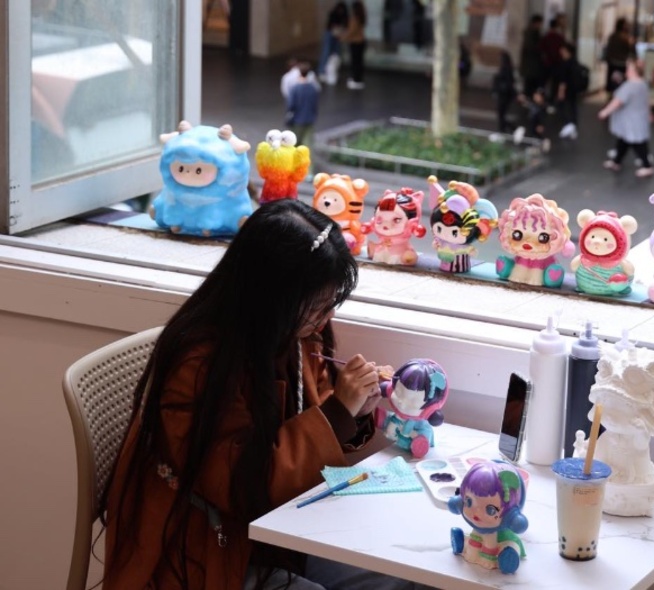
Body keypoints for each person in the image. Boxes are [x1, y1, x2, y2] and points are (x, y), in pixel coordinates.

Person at [101, 200, 434, 590]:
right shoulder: (199, 364)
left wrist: (356, 407)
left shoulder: (295, 332)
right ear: (269, 299)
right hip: (201, 549)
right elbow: (241, 488)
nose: (325, 319)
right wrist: (337, 411)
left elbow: (314, 403)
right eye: (316, 307)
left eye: (330, 304)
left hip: (271, 533)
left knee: (408, 574)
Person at [598, 59, 654, 177]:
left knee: (637, 143)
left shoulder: (630, 86)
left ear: (634, 71)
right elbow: (647, 101)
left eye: (629, 69)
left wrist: (605, 112)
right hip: (638, 119)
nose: (626, 71)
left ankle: (647, 166)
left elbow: (617, 102)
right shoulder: (643, 84)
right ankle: (616, 161)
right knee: (624, 140)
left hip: (631, 121)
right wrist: (649, 113)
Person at [285, 62, 320, 175]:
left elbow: (291, 106)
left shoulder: (295, 88)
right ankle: (309, 172)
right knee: (308, 146)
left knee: (294, 144)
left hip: (297, 120)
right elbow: (315, 105)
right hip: (309, 119)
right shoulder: (313, 89)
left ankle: (292, 168)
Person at [317, 2, 348, 82]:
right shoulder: (333, 14)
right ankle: (322, 71)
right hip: (330, 33)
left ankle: (332, 70)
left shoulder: (344, 15)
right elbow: (331, 25)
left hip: (337, 35)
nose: (341, 11)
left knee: (336, 54)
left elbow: (345, 26)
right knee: (326, 52)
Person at [513, 87, 550, 153]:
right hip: (530, 131)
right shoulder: (533, 105)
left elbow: (543, 119)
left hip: (537, 133)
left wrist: (542, 125)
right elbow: (526, 104)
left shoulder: (543, 107)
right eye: (535, 95)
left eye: (538, 96)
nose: (536, 97)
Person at [556, 42, 581, 140]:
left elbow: (563, 79)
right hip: (573, 89)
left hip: (567, 89)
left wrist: (561, 91)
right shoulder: (574, 62)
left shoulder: (566, 63)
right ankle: (572, 125)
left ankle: (569, 124)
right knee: (572, 106)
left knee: (563, 106)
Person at [603, 18, 634, 95]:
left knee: (614, 83)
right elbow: (631, 50)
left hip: (615, 62)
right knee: (620, 83)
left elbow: (609, 49)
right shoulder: (626, 38)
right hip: (620, 63)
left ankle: (612, 97)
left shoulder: (614, 36)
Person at [519, 14, 545, 98]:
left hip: (531, 66)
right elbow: (531, 47)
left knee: (530, 86)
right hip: (531, 66)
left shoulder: (531, 32)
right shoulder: (531, 33)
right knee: (530, 87)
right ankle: (528, 103)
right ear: (536, 23)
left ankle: (528, 101)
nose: (540, 26)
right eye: (540, 23)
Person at [344, 1, 368, 90]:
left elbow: (351, 31)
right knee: (359, 62)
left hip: (355, 42)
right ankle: (358, 79)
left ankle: (356, 80)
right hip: (361, 42)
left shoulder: (354, 18)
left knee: (355, 62)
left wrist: (343, 37)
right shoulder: (362, 17)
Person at [492, 51, 518, 133]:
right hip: (504, 94)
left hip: (505, 95)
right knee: (501, 113)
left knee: (501, 113)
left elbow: (509, 83)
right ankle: (504, 127)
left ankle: (507, 127)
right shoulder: (505, 68)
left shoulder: (506, 69)